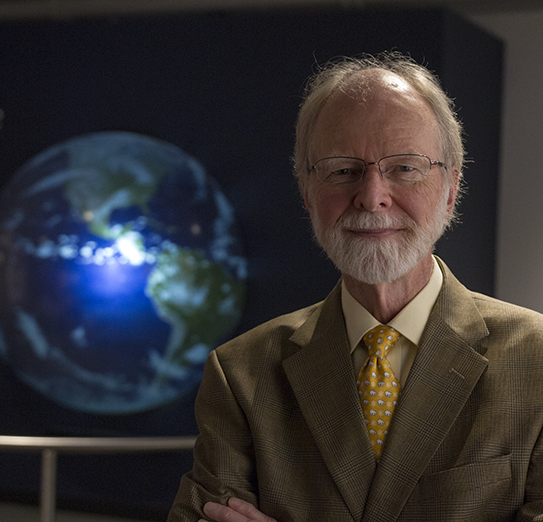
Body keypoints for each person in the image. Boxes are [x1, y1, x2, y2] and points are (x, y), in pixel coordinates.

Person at [167, 52, 543, 522]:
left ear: (451, 187)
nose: (371, 196)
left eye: (404, 167)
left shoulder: (537, 361)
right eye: (342, 170)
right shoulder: (241, 375)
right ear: (307, 192)